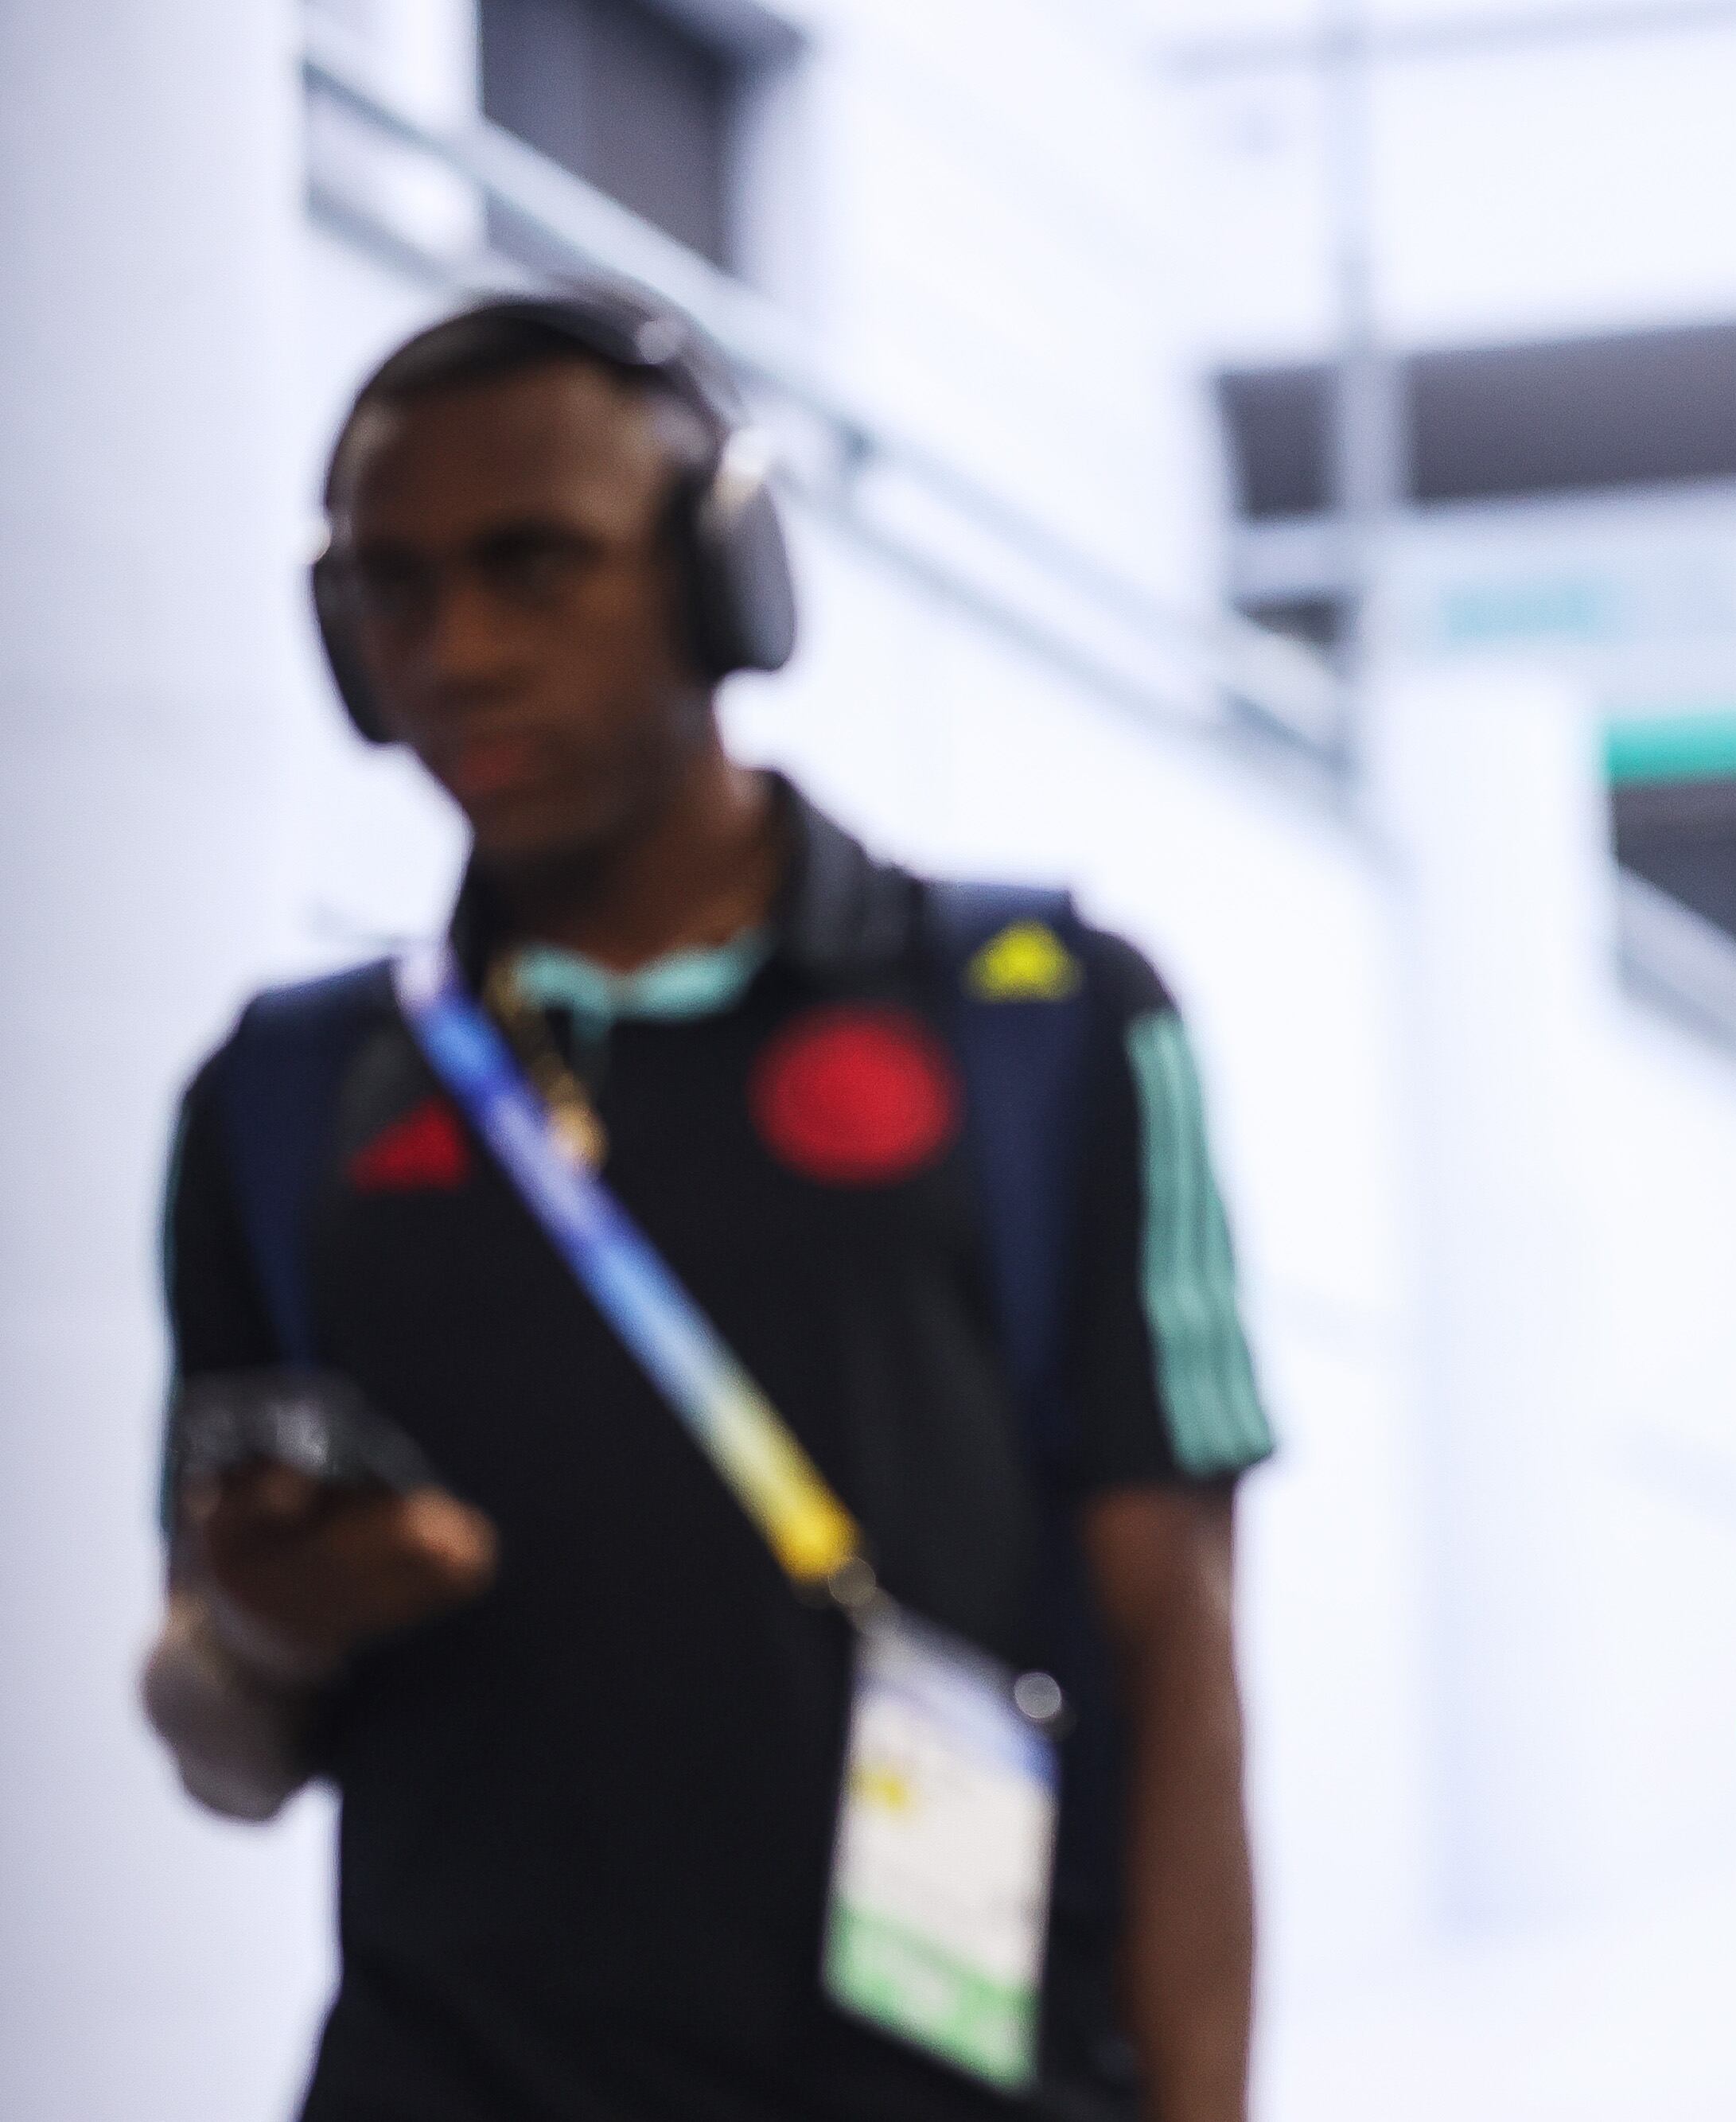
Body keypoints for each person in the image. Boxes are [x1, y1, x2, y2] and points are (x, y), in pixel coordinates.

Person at [138, 294, 1269, 2121]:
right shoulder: (281, 1096)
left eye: (534, 569)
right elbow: (220, 1749)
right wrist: (267, 1628)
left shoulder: (1040, 1016)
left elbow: (1176, 1662)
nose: (455, 653)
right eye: (392, 591)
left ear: (724, 579)